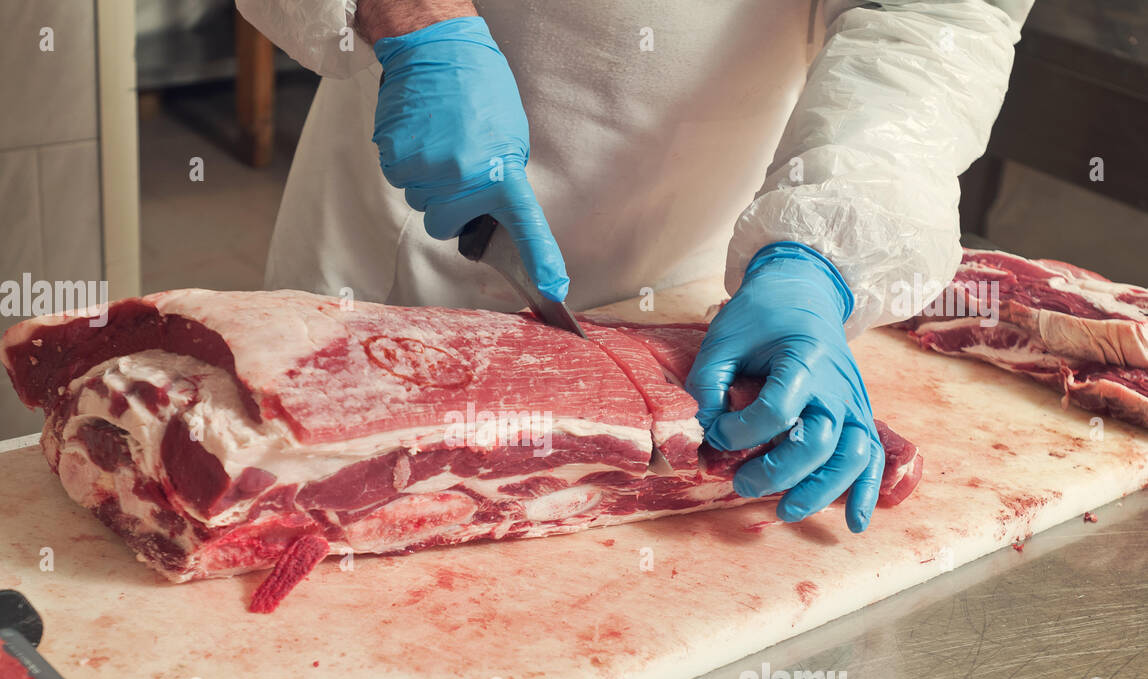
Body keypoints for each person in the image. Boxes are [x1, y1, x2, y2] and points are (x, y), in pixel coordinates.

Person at [235, 0, 1033, 532]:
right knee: (317, 514)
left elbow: (932, 17)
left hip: (686, 263)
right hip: (400, 217)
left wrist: (820, 249)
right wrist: (412, 17)